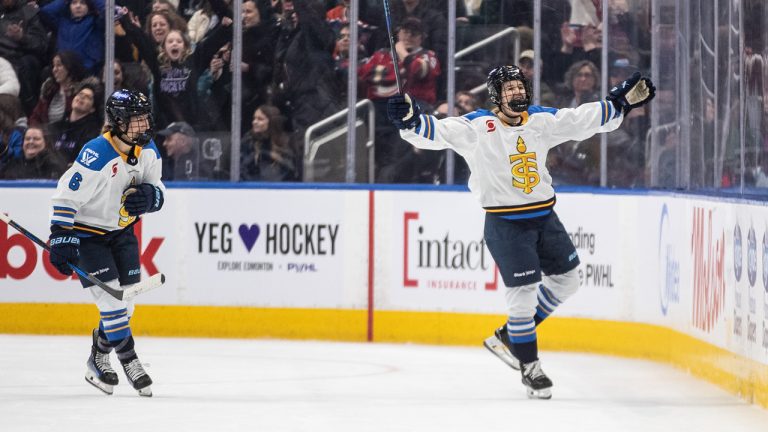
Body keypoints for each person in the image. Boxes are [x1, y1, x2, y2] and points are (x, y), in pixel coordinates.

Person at [387, 65, 655, 399]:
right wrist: (410, 119)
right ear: (496, 96)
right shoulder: (476, 127)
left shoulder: (540, 121)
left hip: (545, 218)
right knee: (524, 293)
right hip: (505, 225)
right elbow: (434, 132)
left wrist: (619, 105)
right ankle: (530, 368)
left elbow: (579, 120)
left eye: (519, 87)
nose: (516, 92)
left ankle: (509, 337)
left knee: (568, 280)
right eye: (509, 88)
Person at [47, 89, 165, 397]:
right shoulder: (97, 153)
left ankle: (98, 357)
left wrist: (151, 198)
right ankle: (130, 360)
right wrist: (61, 235)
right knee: (111, 303)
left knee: (126, 306)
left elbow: (157, 186)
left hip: (123, 234)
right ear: (117, 122)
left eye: (144, 118)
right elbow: (65, 196)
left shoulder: (149, 149)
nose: (143, 125)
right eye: (135, 120)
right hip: (88, 237)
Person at [0, 125, 67, 179]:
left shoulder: (53, 165)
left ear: (46, 143)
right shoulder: (12, 164)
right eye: (27, 139)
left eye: (36, 139)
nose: (31, 142)